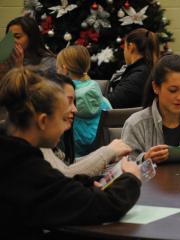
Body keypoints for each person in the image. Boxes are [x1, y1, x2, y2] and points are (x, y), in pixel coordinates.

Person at [0, 67, 141, 239]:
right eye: (62, 118)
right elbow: (103, 207)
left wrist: (86, 184)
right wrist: (131, 179)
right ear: (43, 121)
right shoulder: (25, 169)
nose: (66, 124)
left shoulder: (14, 155)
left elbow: (58, 184)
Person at [40, 72, 132, 177]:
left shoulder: (46, 145)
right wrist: (109, 152)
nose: (75, 109)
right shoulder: (38, 147)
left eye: (74, 102)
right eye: (68, 101)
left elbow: (69, 165)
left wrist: (110, 156)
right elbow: (65, 175)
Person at [56, 45, 112, 156]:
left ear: (64, 69)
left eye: (57, 68)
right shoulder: (101, 98)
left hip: (69, 158)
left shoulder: (59, 99)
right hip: (101, 155)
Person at [107, 28, 160, 108]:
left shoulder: (140, 74)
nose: (124, 52)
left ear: (131, 47)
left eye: (124, 48)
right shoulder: (145, 69)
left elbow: (112, 102)